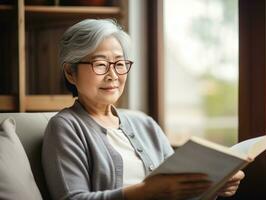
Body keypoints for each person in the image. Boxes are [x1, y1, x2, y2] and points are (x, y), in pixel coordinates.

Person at [42, 19, 245, 200]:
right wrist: (146, 192)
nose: (113, 74)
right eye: (101, 64)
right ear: (70, 72)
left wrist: (214, 184)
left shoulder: (144, 123)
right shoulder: (65, 127)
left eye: (120, 63)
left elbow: (178, 187)